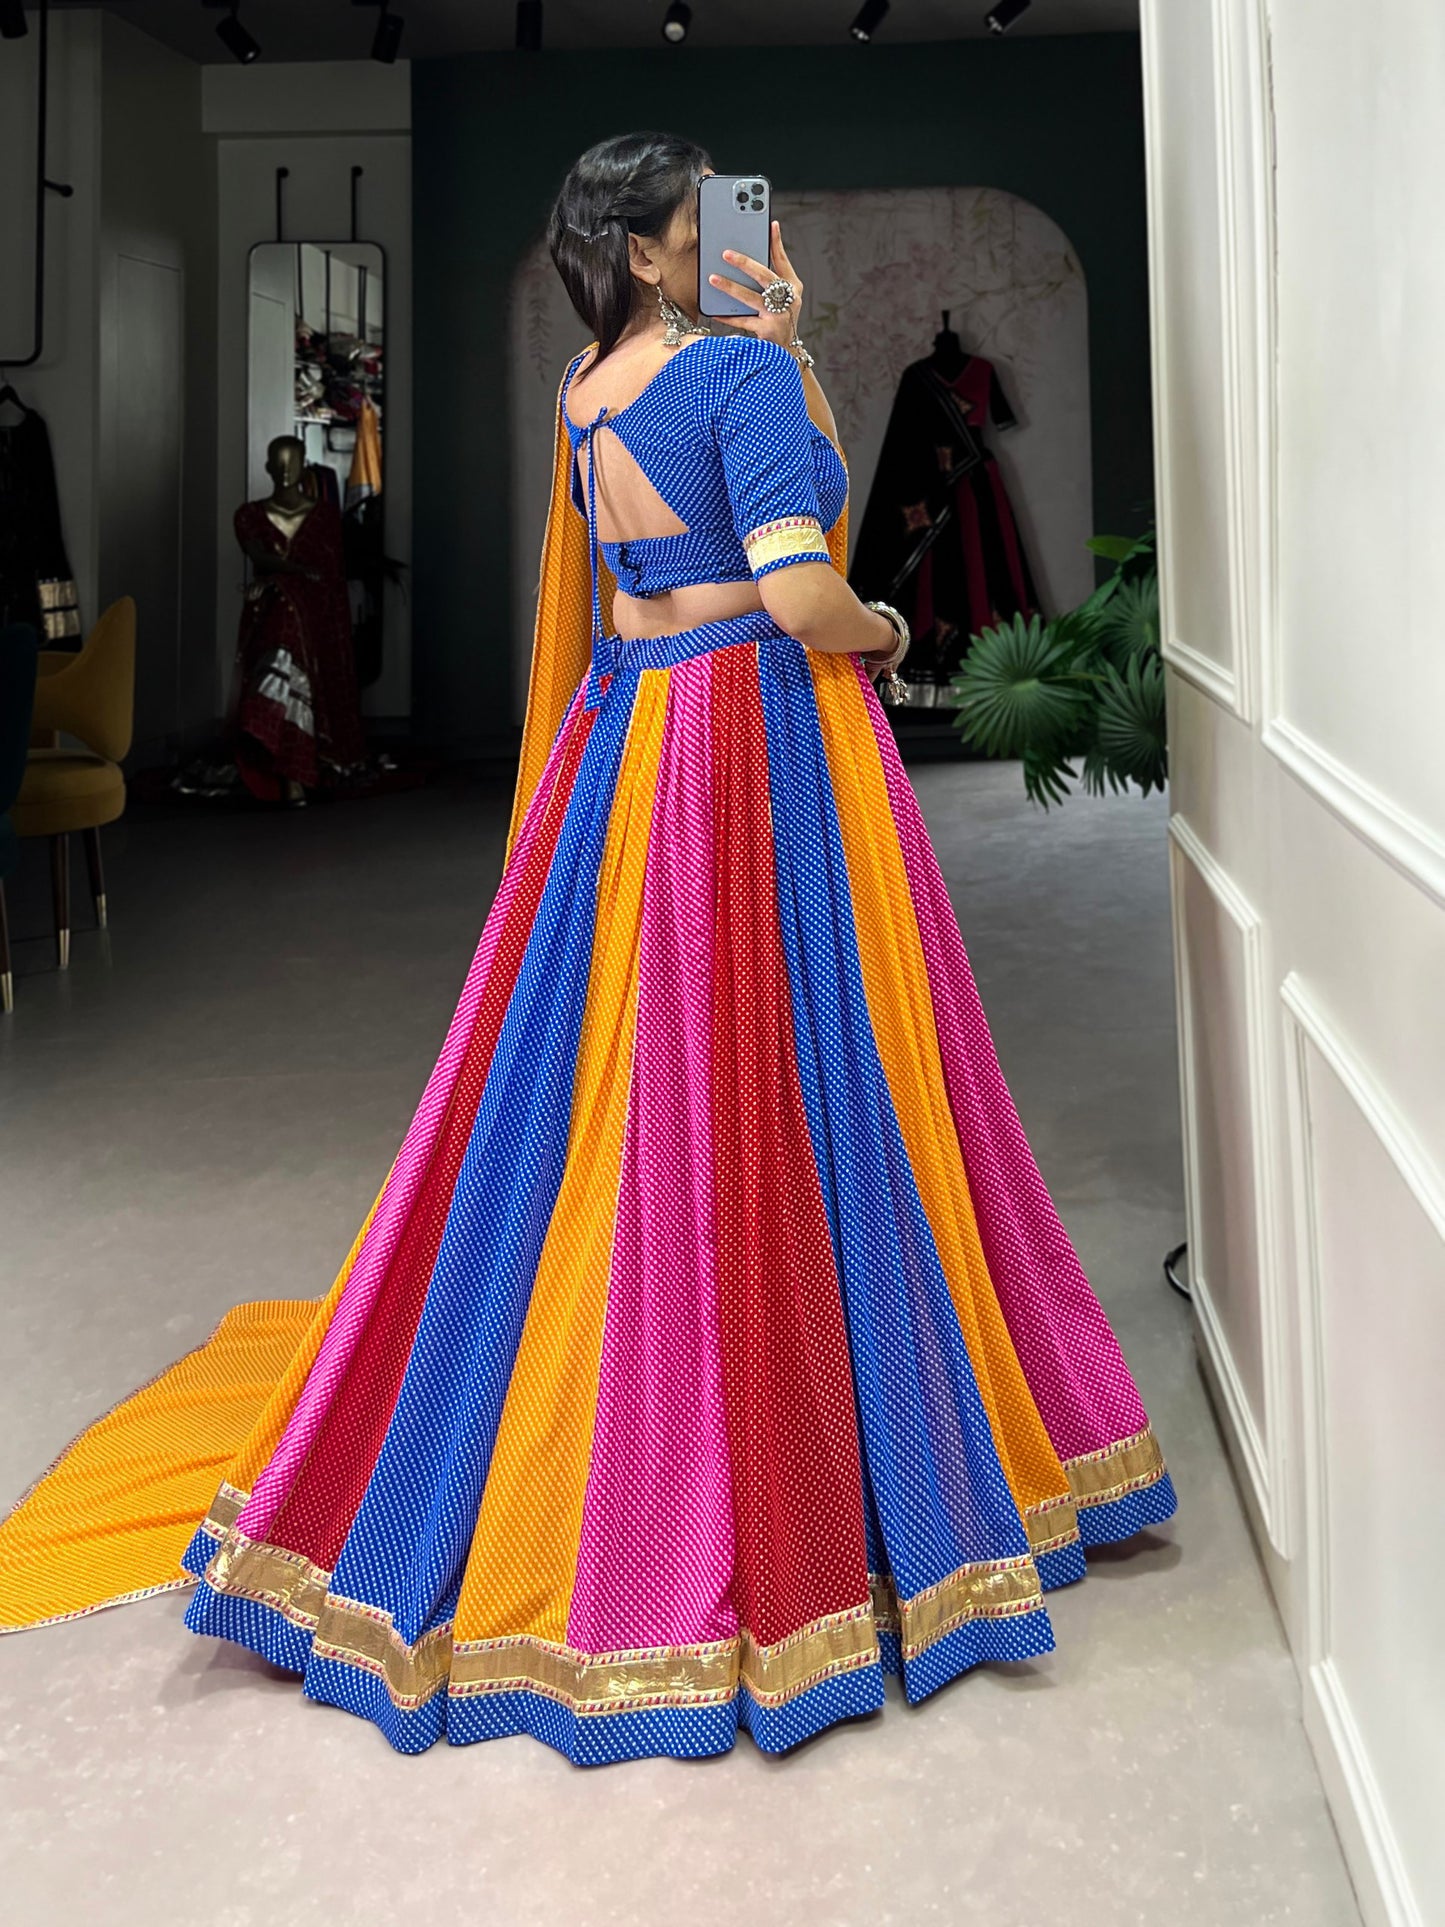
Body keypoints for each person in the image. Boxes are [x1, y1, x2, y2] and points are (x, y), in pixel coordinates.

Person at [0, 133, 1175, 1767]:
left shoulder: (585, 385)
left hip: (627, 748)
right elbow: (800, 591)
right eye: (701, 220)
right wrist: (895, 628)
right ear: (641, 248)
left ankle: (614, 1362)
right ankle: (793, 1446)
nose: (726, 235)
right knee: (794, 1075)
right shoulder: (734, 378)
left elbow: (646, 573)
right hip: (747, 748)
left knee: (613, 1080)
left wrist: (785, 356)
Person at [230, 436, 367, 805]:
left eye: (292, 461)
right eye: (278, 461)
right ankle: (283, 764)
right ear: (267, 467)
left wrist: (285, 580)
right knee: (282, 629)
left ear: (304, 465)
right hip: (273, 607)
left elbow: (329, 576)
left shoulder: (323, 518)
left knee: (291, 630)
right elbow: (260, 557)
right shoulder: (250, 516)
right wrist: (291, 576)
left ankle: (296, 767)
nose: (285, 469)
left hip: (316, 612)